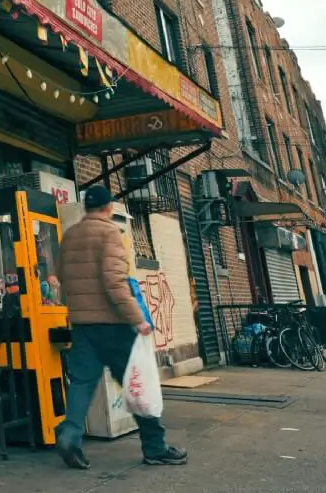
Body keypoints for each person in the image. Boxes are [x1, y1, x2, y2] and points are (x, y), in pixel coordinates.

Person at [55, 185, 187, 469]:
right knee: (138, 385)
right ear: (109, 207)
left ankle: (69, 436)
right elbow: (115, 283)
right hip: (113, 326)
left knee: (81, 383)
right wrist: (137, 319)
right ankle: (155, 447)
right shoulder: (110, 233)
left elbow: (62, 278)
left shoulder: (70, 235)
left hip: (82, 324)